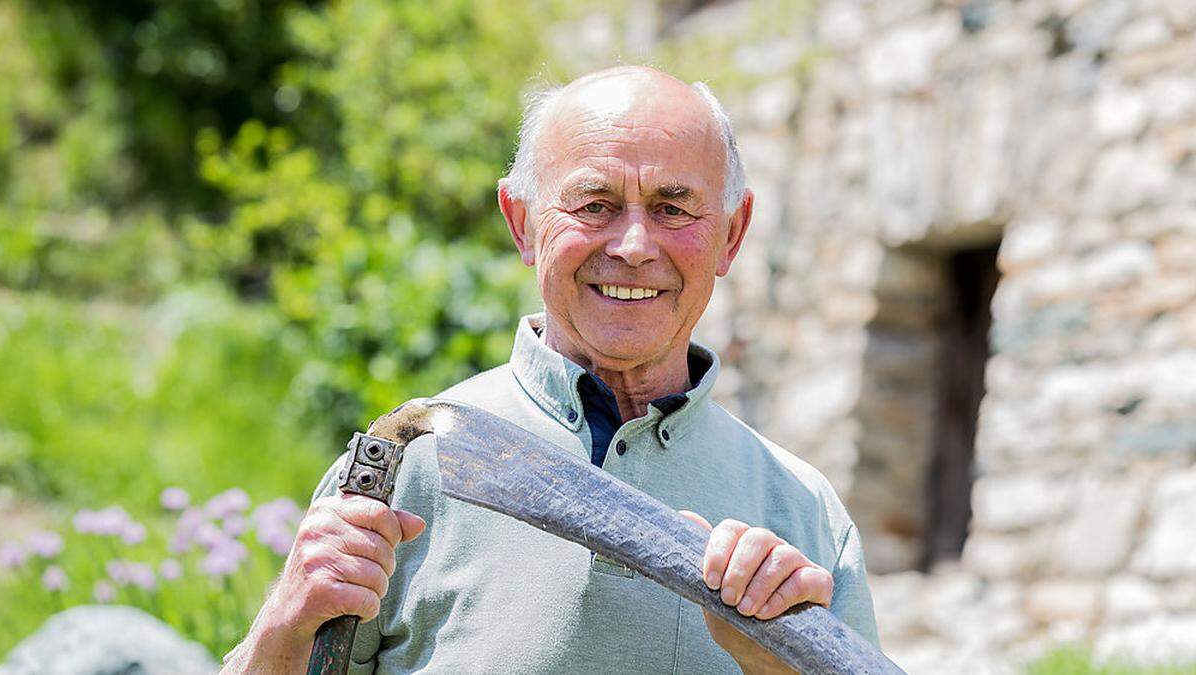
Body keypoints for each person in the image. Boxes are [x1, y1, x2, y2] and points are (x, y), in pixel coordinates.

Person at [224, 66, 879, 674]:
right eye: (594, 205)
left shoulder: (804, 512)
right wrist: (283, 623)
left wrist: (782, 658)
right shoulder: (409, 462)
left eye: (673, 208)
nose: (631, 245)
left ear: (731, 235)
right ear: (523, 222)